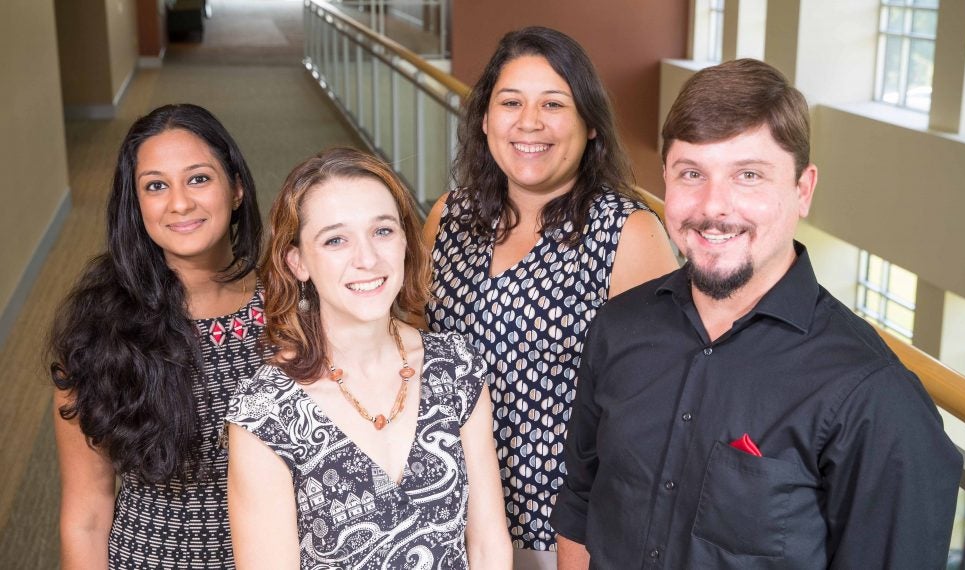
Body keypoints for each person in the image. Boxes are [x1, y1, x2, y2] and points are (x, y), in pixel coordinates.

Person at [552, 58, 963, 569]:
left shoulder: (875, 397)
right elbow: (580, 501)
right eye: (691, 174)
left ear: (803, 190)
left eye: (748, 175)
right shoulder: (618, 325)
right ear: (665, 181)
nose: (713, 206)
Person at [423, 27, 679, 567]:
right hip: (447, 512)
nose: (529, 122)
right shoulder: (450, 217)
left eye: (553, 104)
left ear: (589, 125)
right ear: (486, 120)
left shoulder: (627, 233)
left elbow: (647, 423)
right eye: (510, 102)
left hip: (560, 532)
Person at [226, 147, 512, 568]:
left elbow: (489, 545)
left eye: (382, 231)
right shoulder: (266, 412)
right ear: (298, 261)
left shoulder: (455, 366)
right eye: (336, 239)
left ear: (404, 242)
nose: (367, 259)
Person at [49, 103, 263, 567]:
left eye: (199, 178)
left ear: (238, 188)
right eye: (156, 186)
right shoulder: (101, 331)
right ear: (136, 203)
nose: (180, 203)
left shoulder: (294, 308)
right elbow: (86, 515)